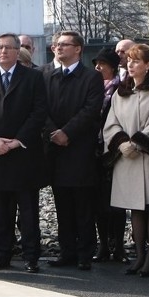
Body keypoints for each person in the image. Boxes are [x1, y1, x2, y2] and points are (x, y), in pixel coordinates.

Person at [0, 33, 47, 273]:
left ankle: (31, 257)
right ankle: (1, 254)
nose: (3, 51)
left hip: (23, 154)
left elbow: (39, 112)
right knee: (0, 210)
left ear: (17, 51)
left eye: (8, 48)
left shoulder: (33, 78)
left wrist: (18, 141)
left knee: (28, 210)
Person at [104, 44, 149, 277]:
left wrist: (135, 143)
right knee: (135, 209)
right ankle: (140, 255)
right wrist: (121, 143)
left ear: (148, 65)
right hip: (128, 159)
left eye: (137, 61)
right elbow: (111, 123)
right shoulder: (120, 92)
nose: (131, 64)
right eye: (129, 61)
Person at [44, 31, 105, 270]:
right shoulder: (45, 75)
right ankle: (66, 251)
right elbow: (40, 107)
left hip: (80, 149)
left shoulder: (91, 77)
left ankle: (84, 254)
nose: (59, 48)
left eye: (65, 44)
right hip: (54, 150)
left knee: (83, 205)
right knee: (62, 205)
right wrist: (53, 132)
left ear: (78, 49)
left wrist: (67, 132)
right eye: (57, 45)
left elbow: (91, 110)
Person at [91, 48, 128, 263]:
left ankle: (119, 246)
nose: (98, 67)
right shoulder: (92, 86)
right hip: (94, 149)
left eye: (102, 63)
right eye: (96, 63)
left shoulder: (120, 89)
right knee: (98, 202)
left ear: (112, 67)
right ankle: (103, 243)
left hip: (113, 151)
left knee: (117, 203)